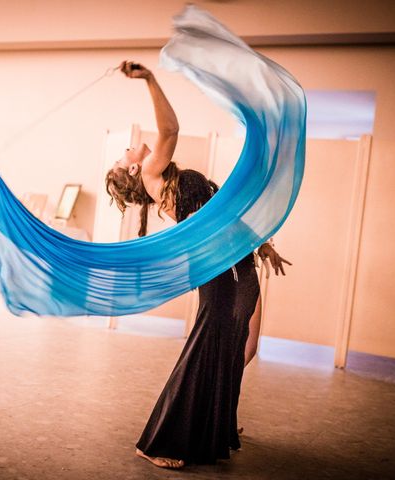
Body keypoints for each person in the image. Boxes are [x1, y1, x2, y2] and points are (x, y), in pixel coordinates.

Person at [105, 61, 291, 468]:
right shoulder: (154, 175)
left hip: (238, 257)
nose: (133, 147)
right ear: (135, 168)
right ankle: (157, 441)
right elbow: (169, 129)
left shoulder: (167, 175)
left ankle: (217, 419)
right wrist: (150, 80)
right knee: (209, 341)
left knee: (246, 343)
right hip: (215, 264)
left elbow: (228, 215)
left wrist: (264, 246)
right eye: (127, 153)